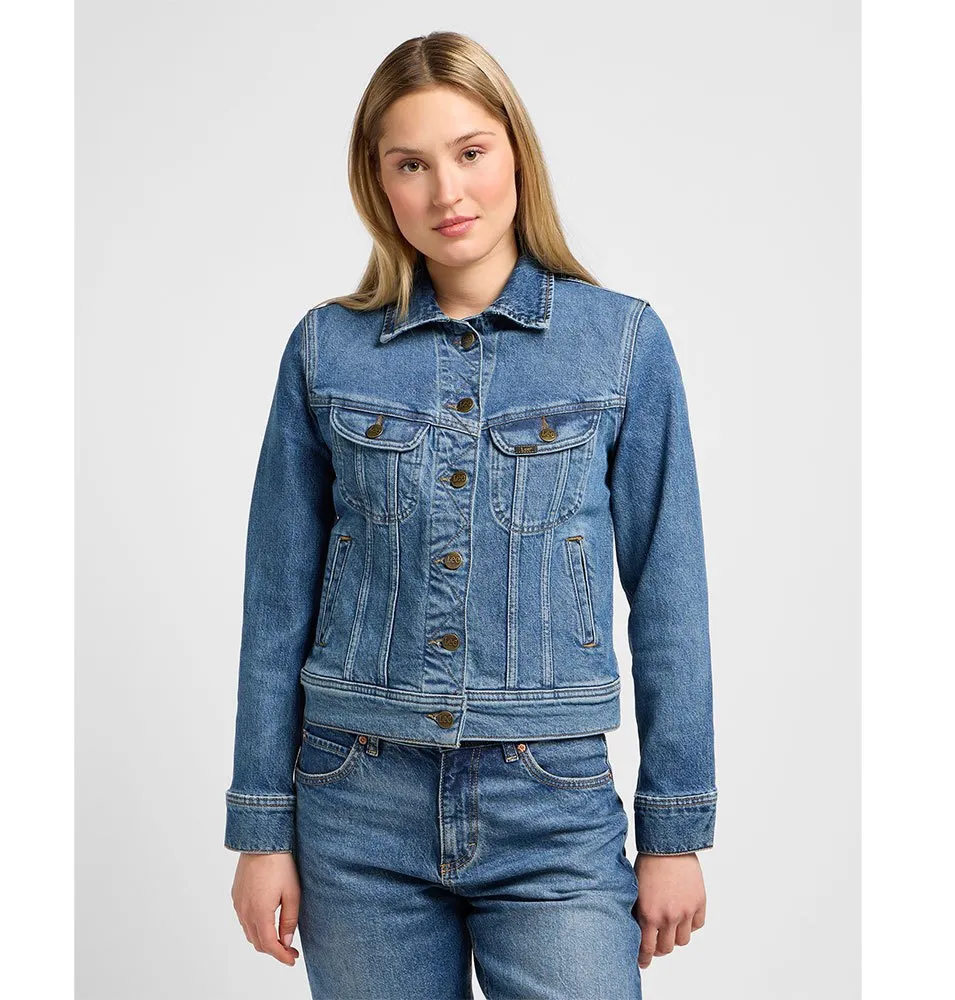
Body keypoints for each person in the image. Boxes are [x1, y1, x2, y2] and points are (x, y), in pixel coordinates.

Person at [225, 30, 717, 1000]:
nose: (446, 191)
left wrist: (673, 830)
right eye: (410, 164)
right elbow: (276, 606)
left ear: (515, 153)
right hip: (353, 804)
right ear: (378, 184)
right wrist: (260, 828)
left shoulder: (619, 342)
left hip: (552, 807)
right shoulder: (327, 350)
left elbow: (670, 596)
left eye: (469, 151)